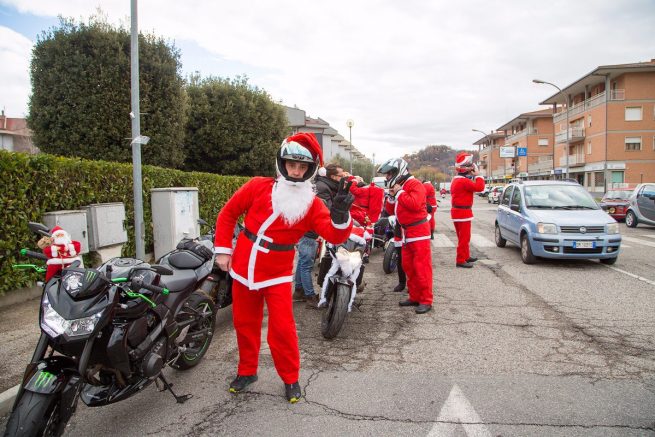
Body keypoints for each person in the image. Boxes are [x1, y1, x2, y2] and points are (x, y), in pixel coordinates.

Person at [213, 133, 354, 403]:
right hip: (243, 267)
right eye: (292, 165)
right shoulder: (258, 186)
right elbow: (228, 213)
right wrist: (223, 250)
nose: (296, 171)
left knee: (282, 330)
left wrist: (340, 216)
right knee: (244, 324)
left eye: (302, 167)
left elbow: (334, 235)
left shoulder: (312, 204)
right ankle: (246, 371)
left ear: (310, 169)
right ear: (282, 163)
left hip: (276, 273)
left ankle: (290, 378)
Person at [378, 158, 433, 314]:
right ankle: (414, 296)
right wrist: (391, 197)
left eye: (389, 174)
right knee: (408, 266)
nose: (387, 177)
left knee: (422, 268)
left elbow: (414, 204)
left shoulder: (414, 184)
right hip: (405, 233)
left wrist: (399, 193)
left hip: (418, 232)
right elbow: (391, 210)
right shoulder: (401, 186)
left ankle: (426, 300)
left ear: (398, 172)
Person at [293, 163, 345, 307]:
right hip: (309, 232)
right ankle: (310, 297)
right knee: (306, 265)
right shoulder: (322, 188)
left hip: (309, 231)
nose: (343, 178)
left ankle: (299, 291)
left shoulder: (324, 186)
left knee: (303, 262)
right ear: (333, 176)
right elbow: (324, 212)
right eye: (341, 176)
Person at [450, 152, 485, 268]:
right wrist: (478, 175)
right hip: (462, 213)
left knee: (463, 237)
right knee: (464, 238)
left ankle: (465, 256)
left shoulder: (457, 180)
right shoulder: (463, 181)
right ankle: (460, 259)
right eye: (470, 166)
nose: (472, 168)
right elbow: (480, 187)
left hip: (459, 212)